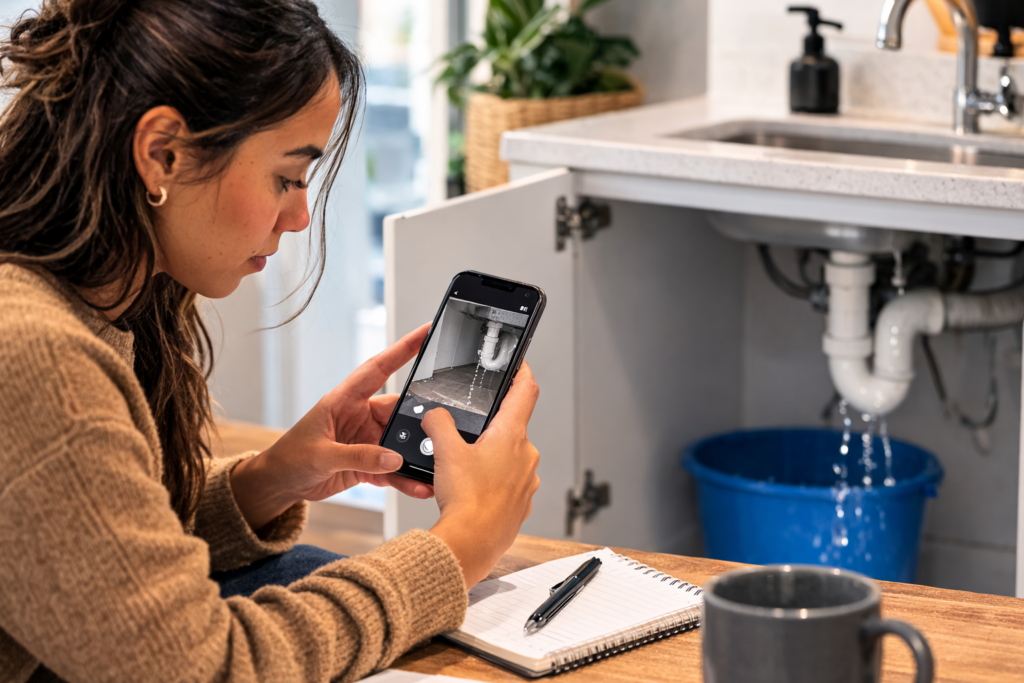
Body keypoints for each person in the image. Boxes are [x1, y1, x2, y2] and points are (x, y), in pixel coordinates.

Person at [0, 1, 541, 681]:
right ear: (162, 153)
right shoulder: (31, 352)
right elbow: (200, 668)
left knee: (314, 576)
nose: (300, 214)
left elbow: (85, 562)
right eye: (287, 176)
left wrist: (269, 479)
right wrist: (460, 546)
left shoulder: (103, 303)